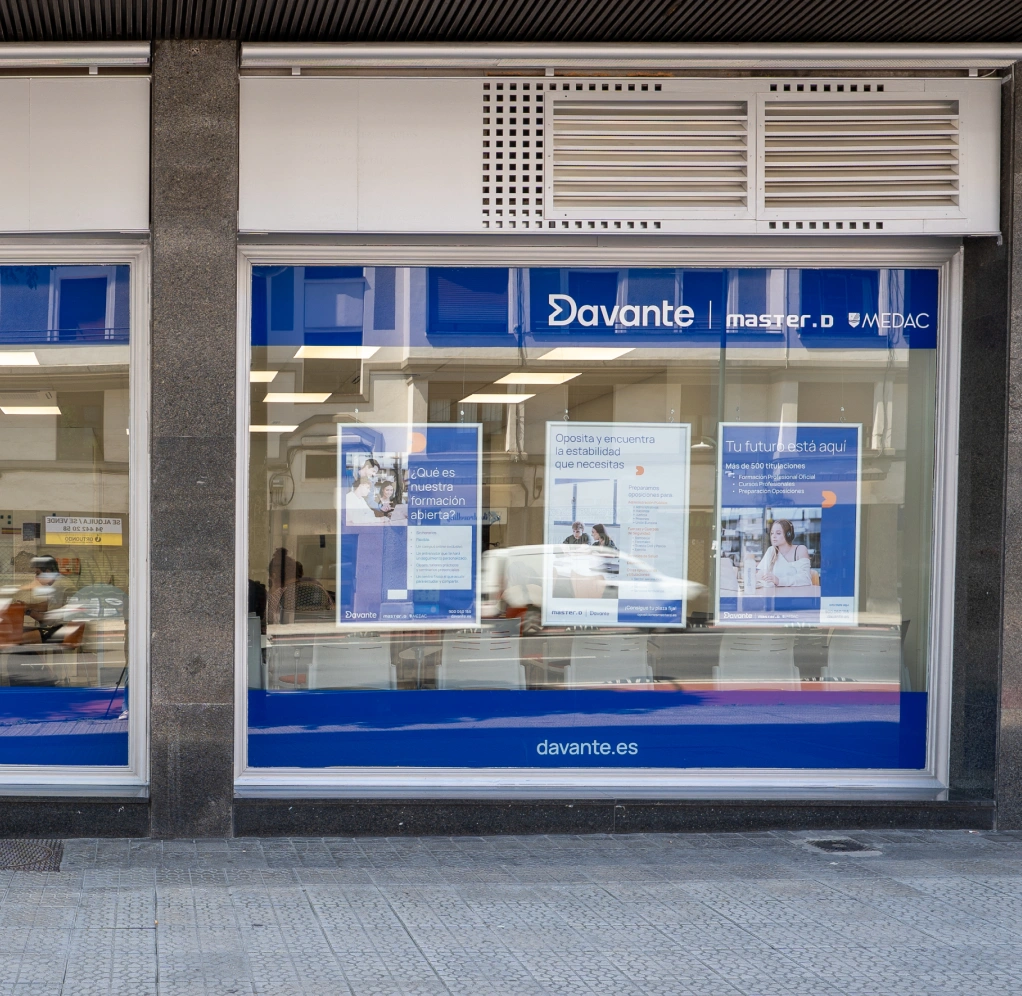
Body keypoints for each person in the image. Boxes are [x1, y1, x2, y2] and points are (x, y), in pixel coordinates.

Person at [757, 518, 812, 587]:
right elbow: (760, 574)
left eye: (778, 533)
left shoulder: (800, 550)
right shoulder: (771, 550)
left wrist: (779, 581)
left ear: (788, 535)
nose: (774, 536)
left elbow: (806, 579)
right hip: (775, 593)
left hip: (796, 593)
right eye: (772, 533)